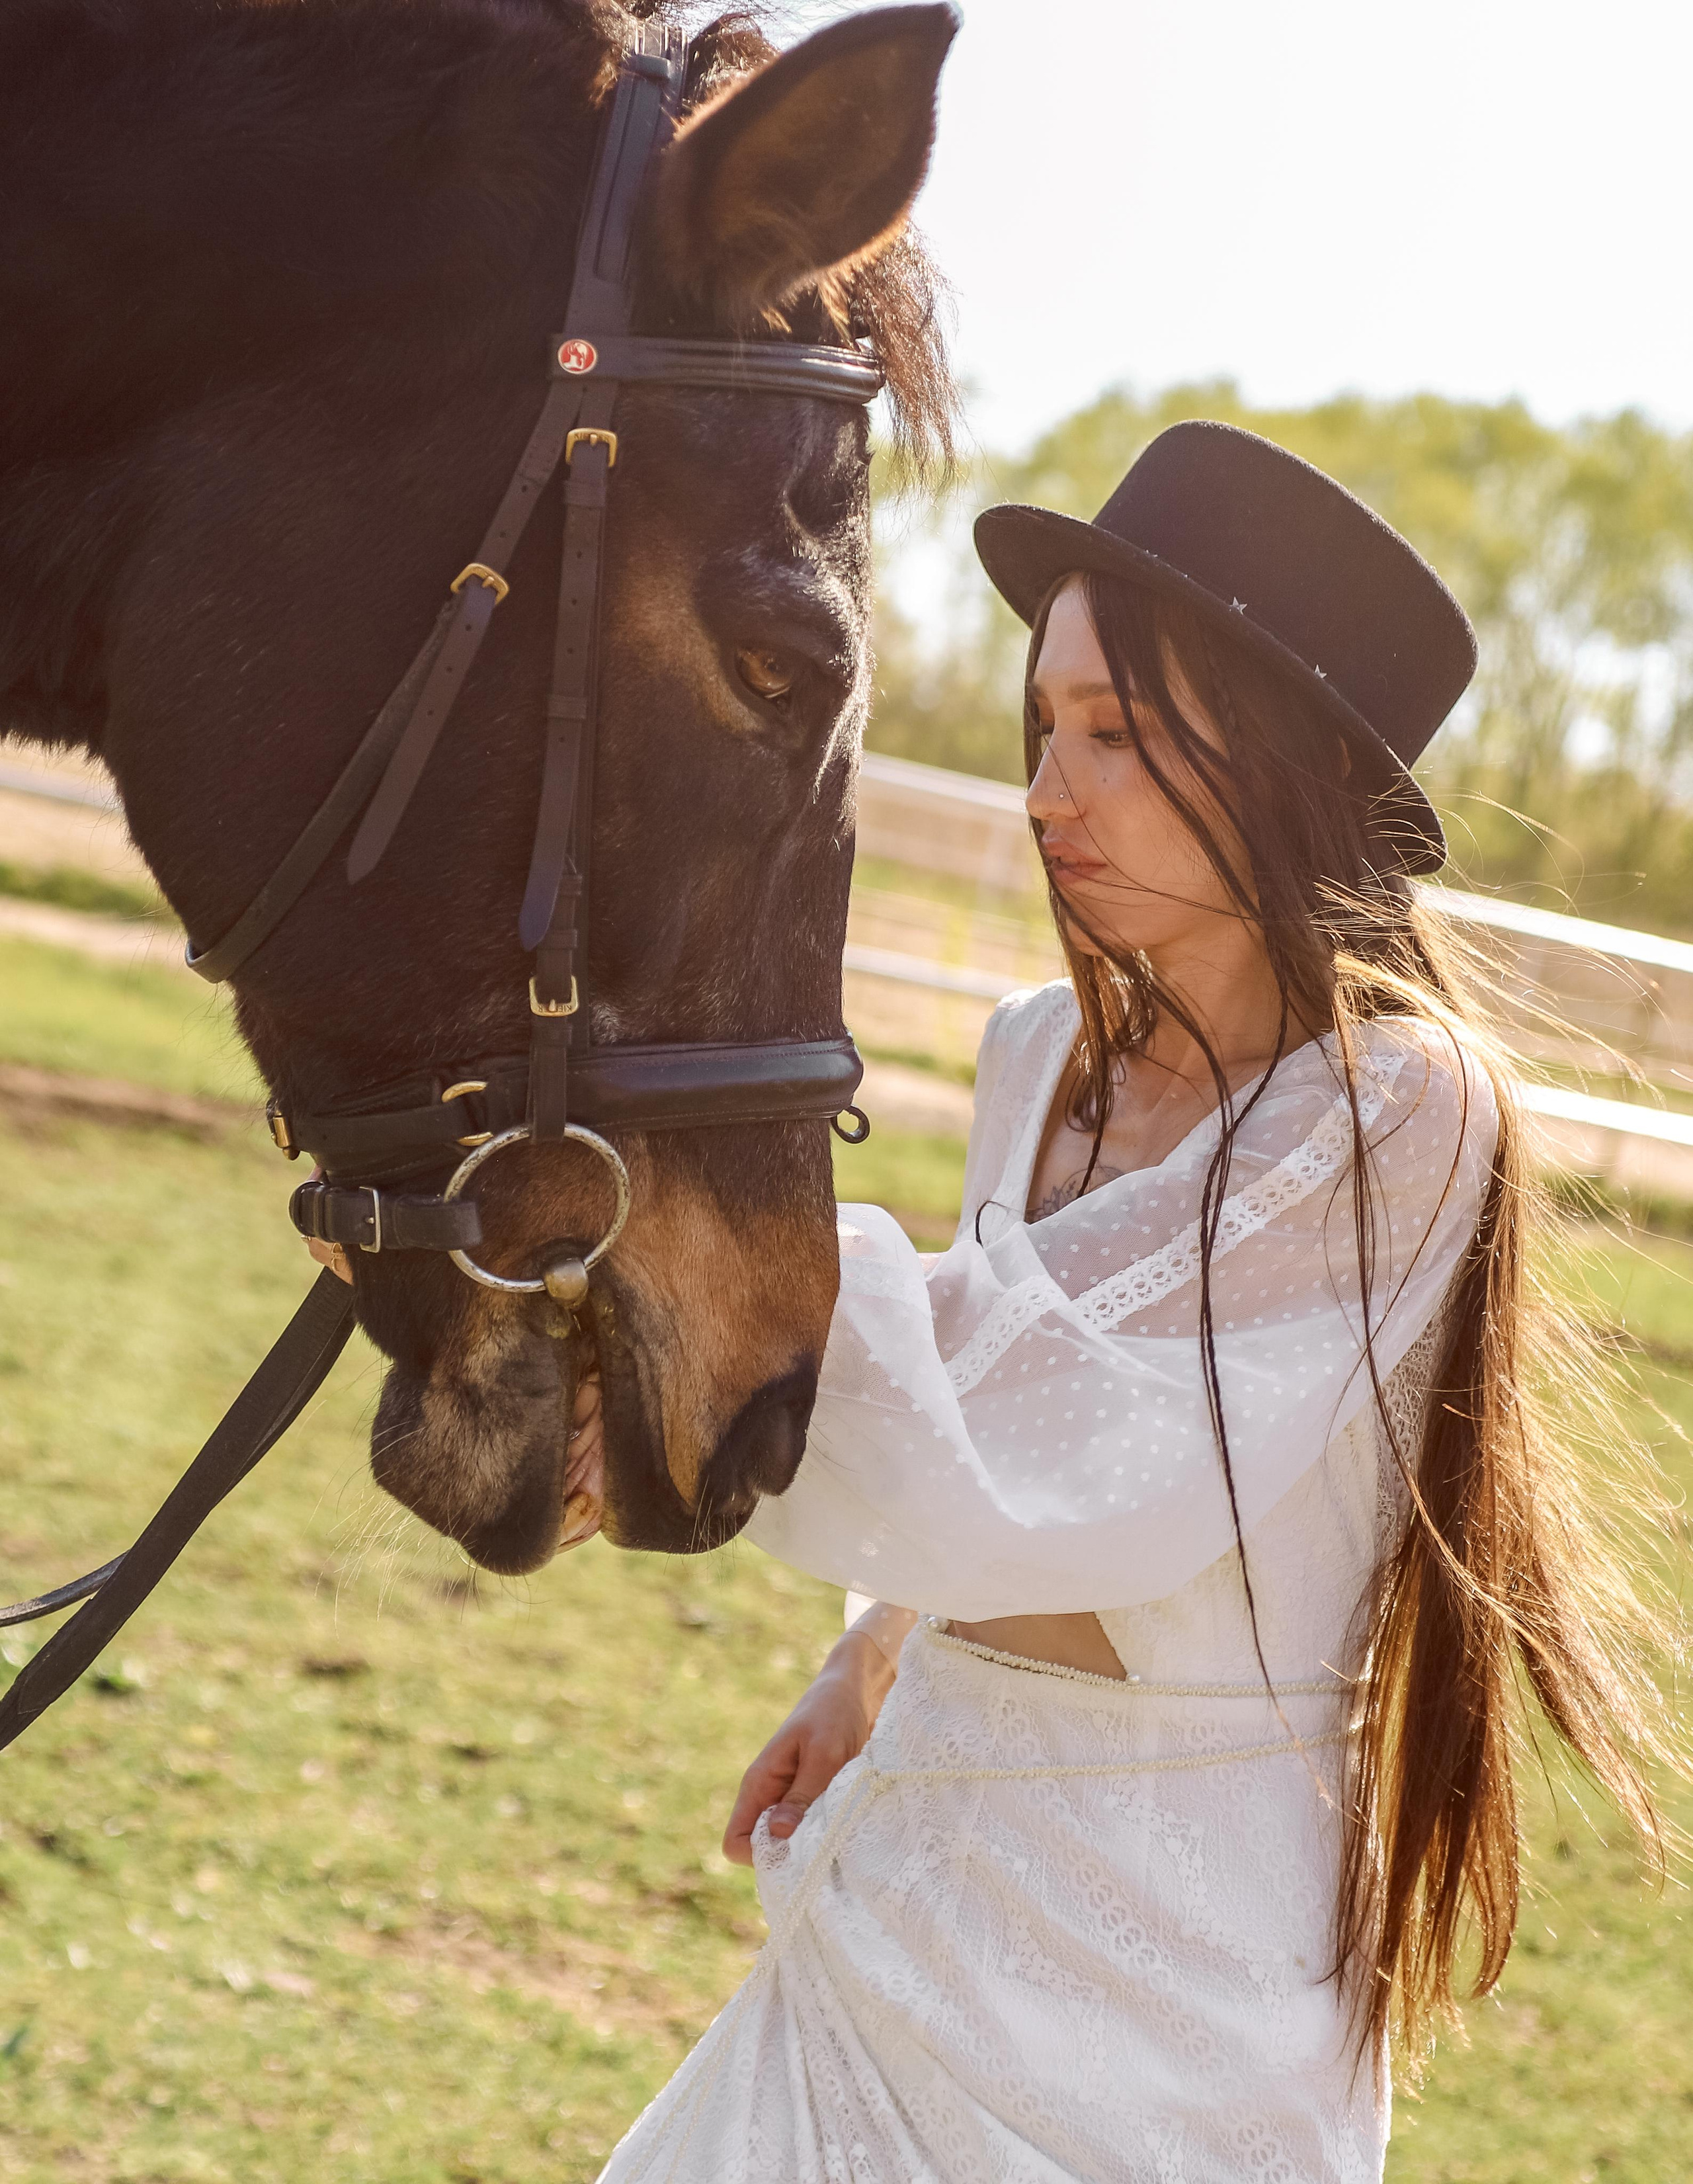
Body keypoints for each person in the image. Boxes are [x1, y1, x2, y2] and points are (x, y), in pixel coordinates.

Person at [333, 425, 1675, 2181]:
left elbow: (1087, 1422)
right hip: (910, 1908)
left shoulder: (1396, 1113)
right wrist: (874, 1656)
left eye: (1115, 735)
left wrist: (691, 1353)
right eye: (1050, 728)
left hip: (1159, 2007)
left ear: (1274, 763)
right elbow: (990, 1417)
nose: (1050, 793)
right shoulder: (1039, 1056)